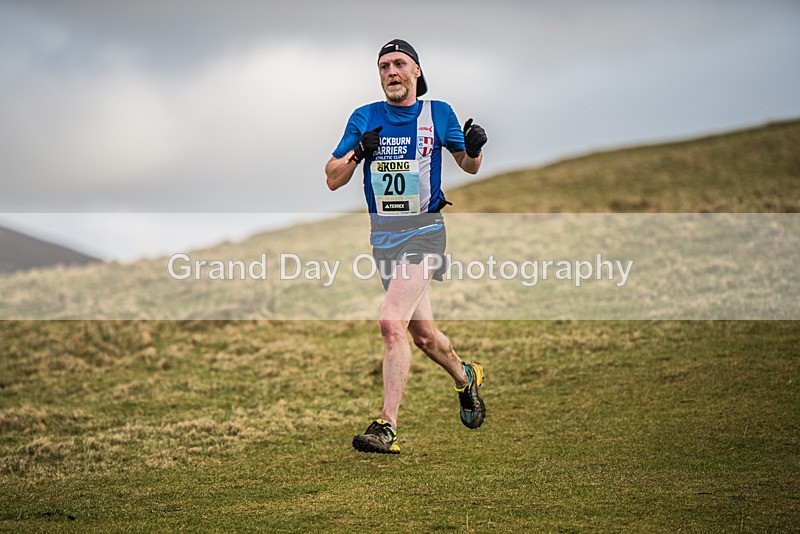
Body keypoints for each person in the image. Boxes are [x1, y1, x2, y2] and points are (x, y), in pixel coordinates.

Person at [325, 39, 489, 454]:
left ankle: (387, 426)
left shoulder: (439, 113)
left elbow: (468, 167)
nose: (391, 72)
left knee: (390, 323)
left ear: (416, 71)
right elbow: (332, 177)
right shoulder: (364, 118)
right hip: (384, 241)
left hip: (425, 233)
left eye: (399, 64)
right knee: (424, 337)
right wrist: (358, 153)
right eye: (383, 66)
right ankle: (465, 377)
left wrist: (474, 147)